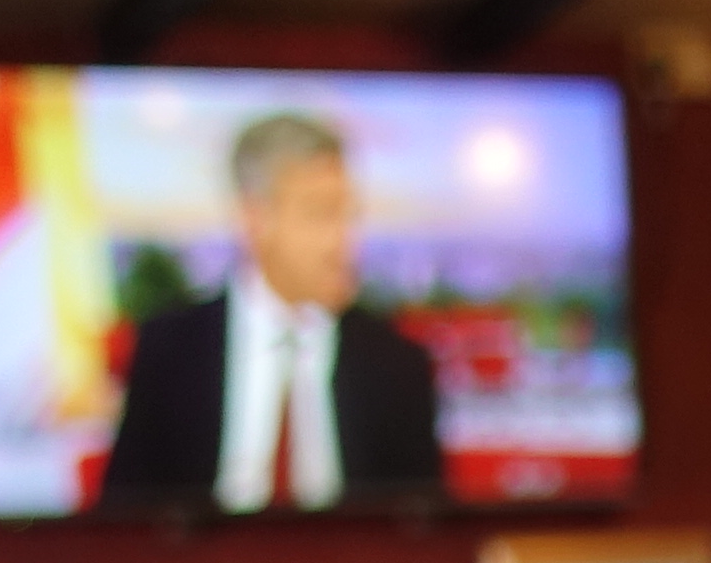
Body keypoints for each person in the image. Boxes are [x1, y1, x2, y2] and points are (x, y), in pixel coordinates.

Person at [92, 111, 446, 517]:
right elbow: (121, 525)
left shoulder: (397, 366)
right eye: (320, 213)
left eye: (348, 215)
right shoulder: (170, 352)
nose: (343, 241)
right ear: (255, 217)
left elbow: (424, 534)